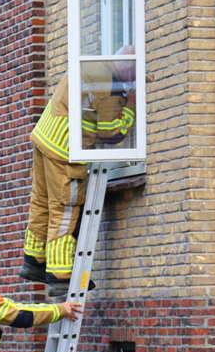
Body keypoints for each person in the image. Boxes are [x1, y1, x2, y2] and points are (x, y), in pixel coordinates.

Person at [21, 46, 137, 296]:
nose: (134, 80)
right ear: (127, 66)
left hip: (44, 137)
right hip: (66, 150)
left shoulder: (91, 63)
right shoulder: (110, 86)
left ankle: (34, 261)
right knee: (65, 210)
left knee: (41, 202)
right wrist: (130, 109)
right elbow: (111, 132)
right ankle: (61, 276)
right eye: (135, 73)